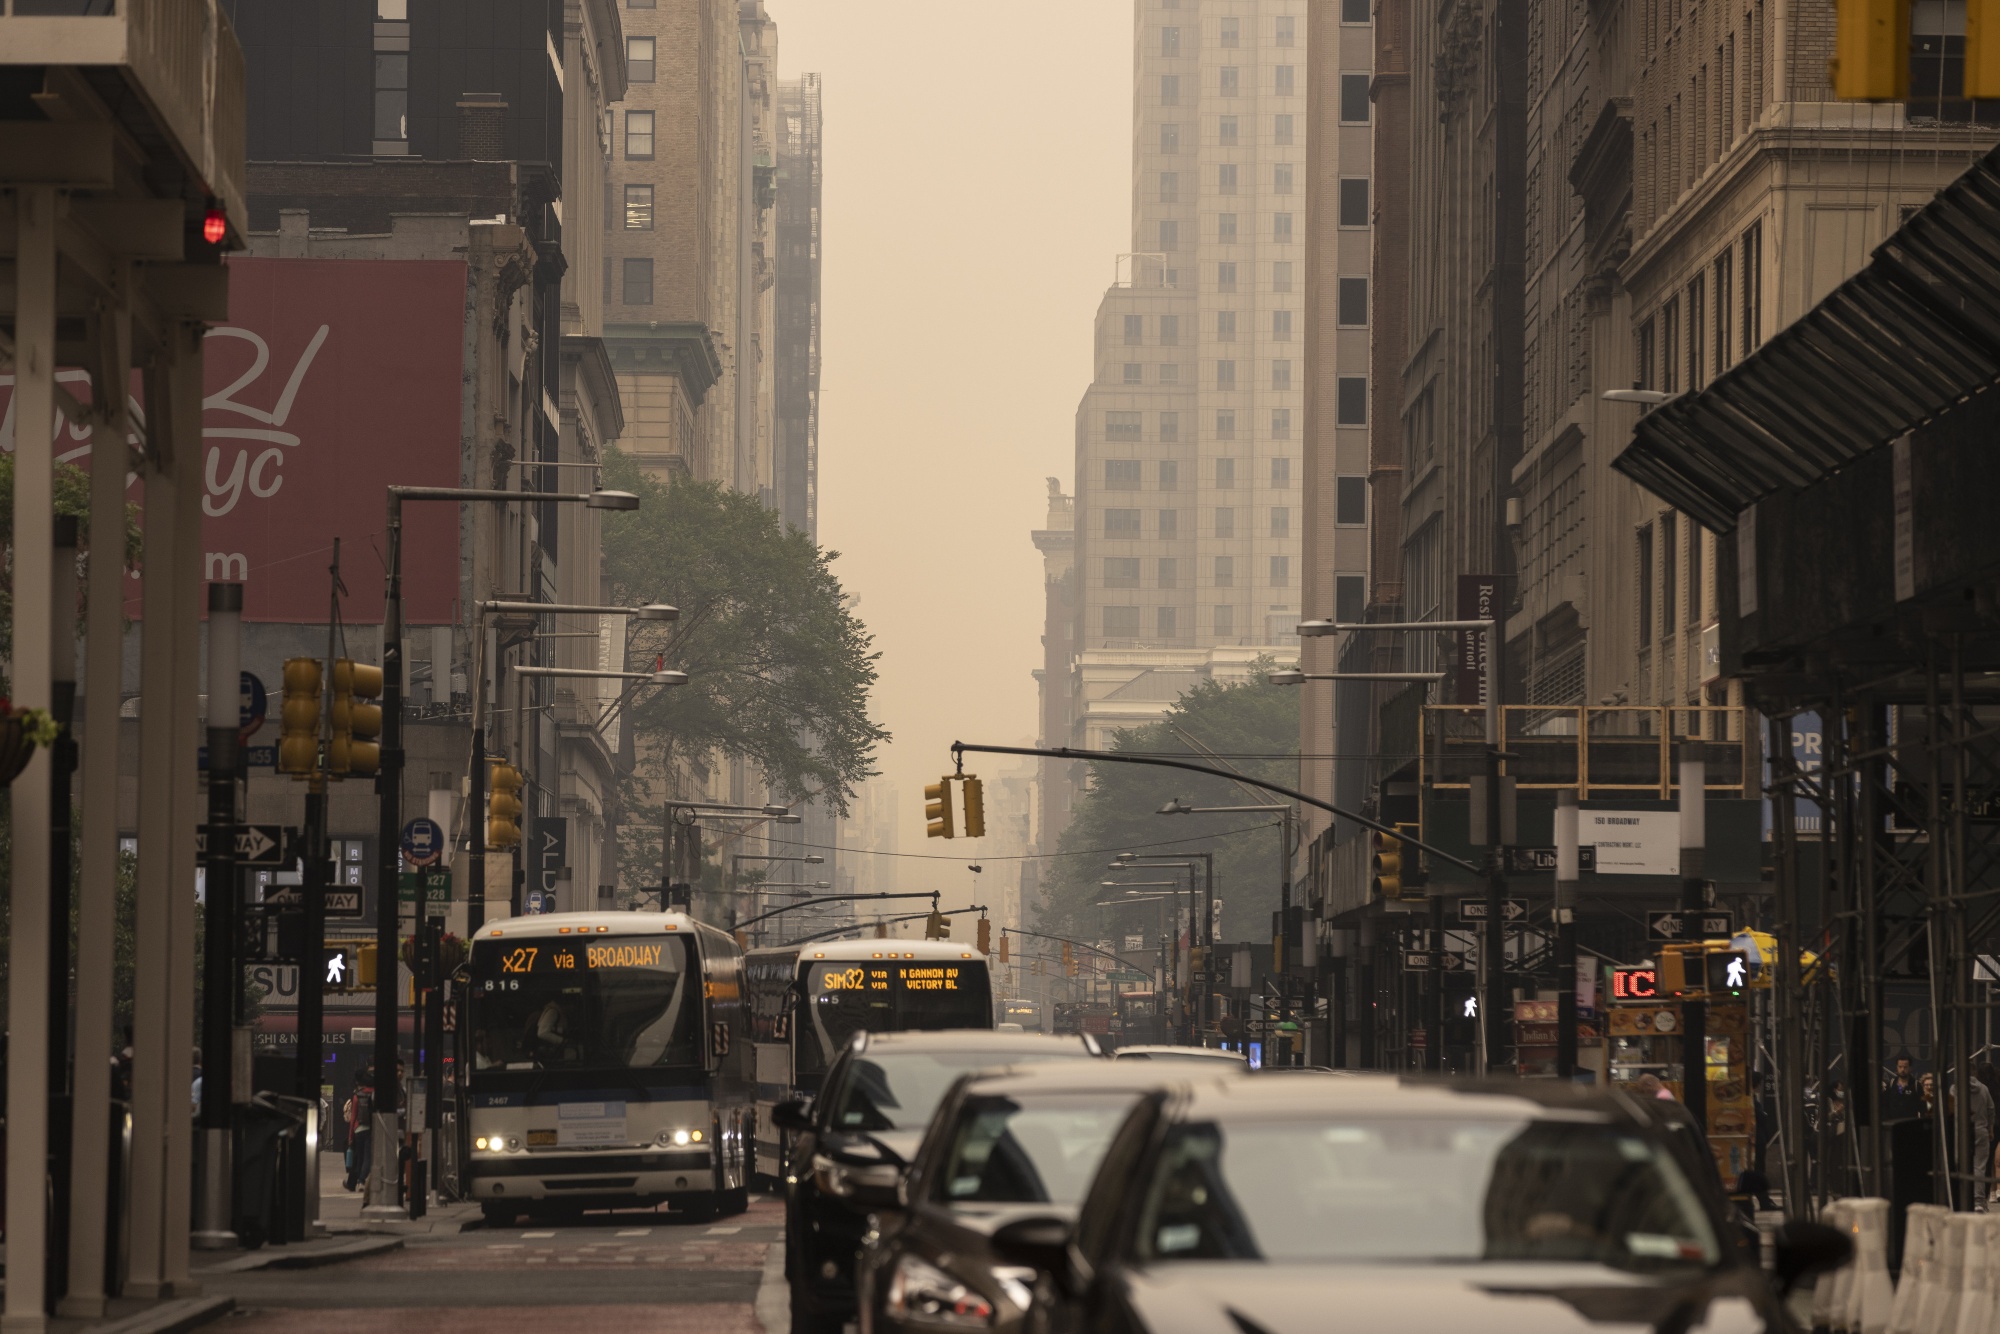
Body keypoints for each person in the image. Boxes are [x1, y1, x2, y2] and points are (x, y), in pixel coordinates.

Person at [344, 1063, 375, 1194]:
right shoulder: (374, 1094)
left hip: (358, 1130)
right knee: (368, 1157)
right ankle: (361, 1181)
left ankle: (359, 1180)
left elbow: (353, 1118)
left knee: (360, 1158)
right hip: (371, 1129)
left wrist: (350, 1136)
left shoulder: (357, 1095)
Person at [1884, 1056, 1922, 1121]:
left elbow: (1922, 1107)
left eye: (1905, 1067)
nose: (1902, 1069)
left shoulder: (1916, 1085)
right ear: (1897, 1067)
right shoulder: (1891, 1084)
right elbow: (1885, 1105)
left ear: (1910, 1068)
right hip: (1893, 1123)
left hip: (1910, 1122)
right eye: (1900, 1067)